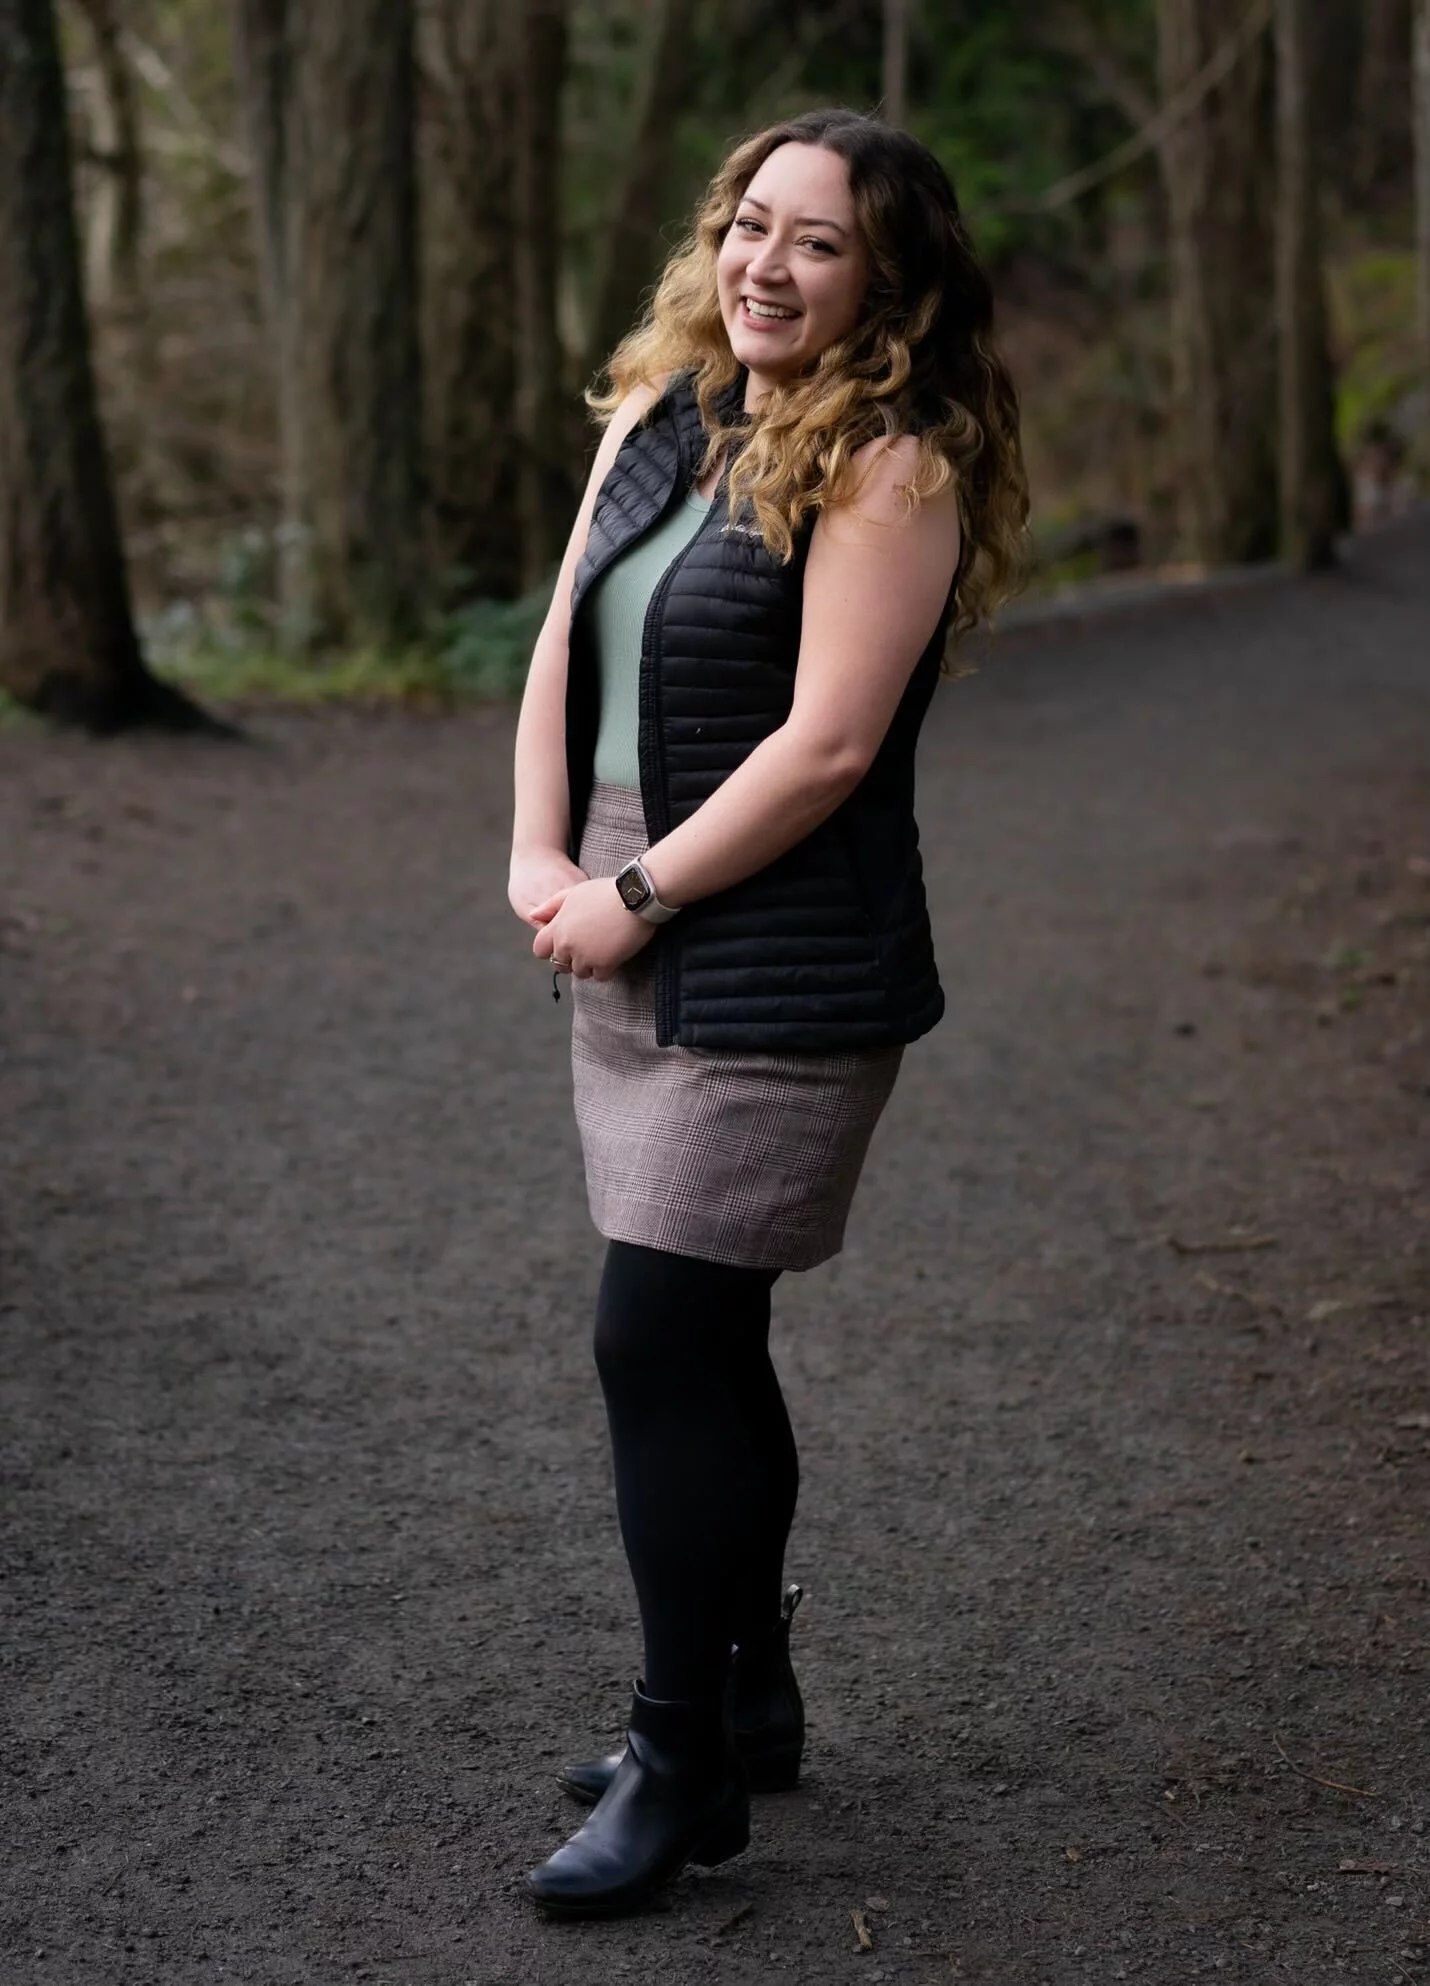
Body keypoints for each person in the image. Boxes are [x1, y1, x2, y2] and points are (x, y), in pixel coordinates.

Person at [507, 106, 1028, 1919]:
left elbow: (824, 748)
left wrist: (636, 892)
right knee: (709, 1343)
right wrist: (536, 847)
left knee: (652, 1337)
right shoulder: (660, 414)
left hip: (775, 948)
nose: (764, 262)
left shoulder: (894, 463)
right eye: (749, 222)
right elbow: (564, 637)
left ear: (885, 277)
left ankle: (682, 1754)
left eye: (815, 239)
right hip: (622, 905)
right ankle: (750, 1686)